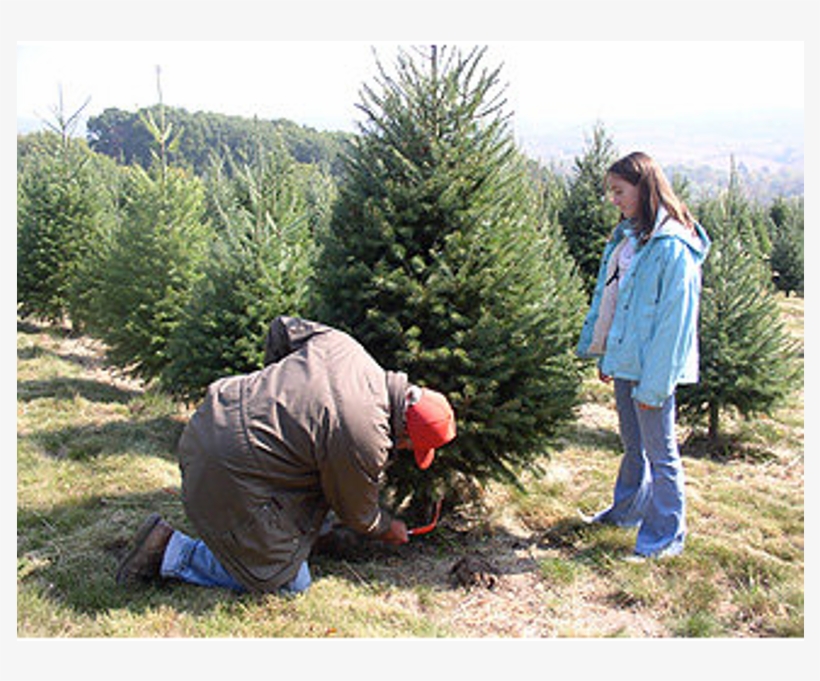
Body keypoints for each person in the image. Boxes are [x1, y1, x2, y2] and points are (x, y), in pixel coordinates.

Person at [117, 316, 456, 594]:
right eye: (410, 448)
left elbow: (282, 328)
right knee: (287, 583)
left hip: (210, 417)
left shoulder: (348, 350)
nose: (403, 452)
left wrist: (272, 386)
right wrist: (388, 527)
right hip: (226, 468)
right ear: (406, 434)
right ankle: (171, 552)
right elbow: (358, 513)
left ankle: (263, 539)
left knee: (305, 491)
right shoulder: (365, 434)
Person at [576, 151, 710, 560]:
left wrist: (655, 384)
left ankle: (665, 537)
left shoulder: (674, 248)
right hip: (626, 362)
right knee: (633, 446)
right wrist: (606, 355)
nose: (613, 200)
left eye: (619, 191)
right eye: (610, 192)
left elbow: (675, 326)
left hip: (654, 370)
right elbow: (614, 301)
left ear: (644, 187)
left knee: (661, 453)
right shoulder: (630, 238)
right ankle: (627, 511)